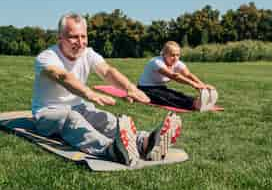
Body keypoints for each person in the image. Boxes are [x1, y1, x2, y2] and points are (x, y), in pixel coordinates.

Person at [31, 13, 182, 166]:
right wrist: (89, 93)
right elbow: (62, 76)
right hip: (48, 112)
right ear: (60, 38)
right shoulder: (47, 57)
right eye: (74, 37)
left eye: (83, 36)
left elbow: (107, 71)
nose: (80, 42)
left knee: (106, 119)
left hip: (78, 106)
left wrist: (130, 88)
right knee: (72, 119)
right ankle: (111, 149)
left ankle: (145, 142)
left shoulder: (88, 53)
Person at [137, 41, 218, 111]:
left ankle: (198, 102)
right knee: (168, 98)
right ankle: (195, 104)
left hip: (160, 87)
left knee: (177, 94)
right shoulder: (156, 62)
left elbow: (188, 74)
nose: (175, 58)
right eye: (172, 55)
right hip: (146, 89)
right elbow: (174, 76)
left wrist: (202, 85)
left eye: (178, 55)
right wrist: (193, 84)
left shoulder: (177, 63)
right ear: (164, 54)